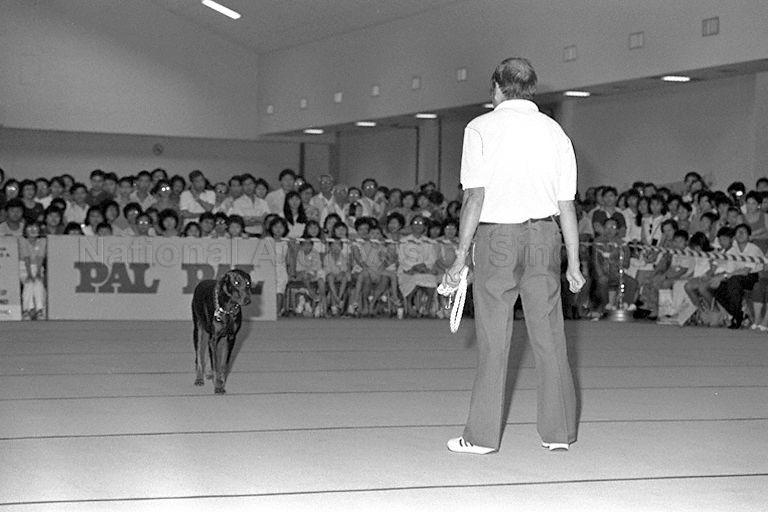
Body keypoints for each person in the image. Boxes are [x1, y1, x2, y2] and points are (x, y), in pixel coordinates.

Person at [443, 58, 584, 455]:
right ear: (532, 89)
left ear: (496, 87)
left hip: (497, 239)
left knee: (494, 339)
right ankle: (558, 433)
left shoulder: (481, 128)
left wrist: (459, 257)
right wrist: (573, 262)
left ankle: (482, 436)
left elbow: (474, 196)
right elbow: (567, 204)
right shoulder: (555, 132)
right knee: (551, 337)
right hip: (545, 236)